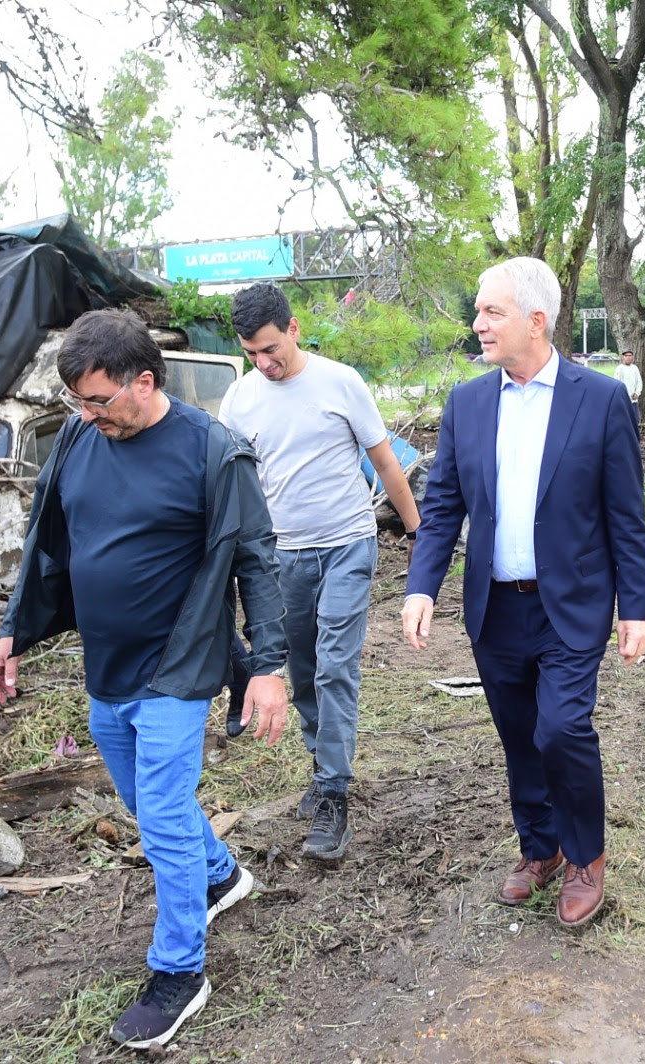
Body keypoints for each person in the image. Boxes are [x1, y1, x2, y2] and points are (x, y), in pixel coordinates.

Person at [0, 308, 289, 1052]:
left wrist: (270, 666)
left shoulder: (214, 451)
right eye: (77, 403)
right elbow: (46, 546)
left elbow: (258, 560)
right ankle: (219, 877)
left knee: (157, 807)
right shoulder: (79, 443)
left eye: (98, 401)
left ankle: (179, 971)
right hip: (108, 667)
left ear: (143, 380)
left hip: (180, 664)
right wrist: (13, 630)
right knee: (150, 802)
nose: (87, 416)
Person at [402, 256, 645, 928]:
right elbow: (444, 504)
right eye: (479, 311)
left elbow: (626, 516)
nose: (477, 323)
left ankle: (585, 857)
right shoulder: (468, 403)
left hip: (569, 605)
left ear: (537, 321)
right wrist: (421, 587)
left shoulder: (598, 400)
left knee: (562, 727)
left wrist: (637, 608)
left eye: (492, 312)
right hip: (495, 606)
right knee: (519, 736)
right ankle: (538, 849)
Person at [219, 283, 422, 862]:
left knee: (336, 667)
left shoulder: (340, 382)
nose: (264, 362)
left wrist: (417, 534)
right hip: (282, 556)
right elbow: (233, 485)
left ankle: (334, 794)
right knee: (302, 672)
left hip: (347, 546)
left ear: (294, 328)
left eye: (270, 348)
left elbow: (385, 460)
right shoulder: (239, 400)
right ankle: (323, 764)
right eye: (251, 353)